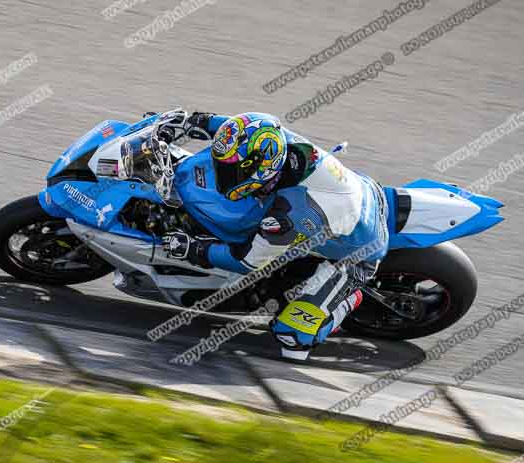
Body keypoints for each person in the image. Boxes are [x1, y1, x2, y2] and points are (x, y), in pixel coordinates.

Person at [162, 112, 389, 361]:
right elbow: (240, 131)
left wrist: (195, 250)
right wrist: (195, 120)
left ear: (259, 170)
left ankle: (351, 299)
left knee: (291, 338)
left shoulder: (289, 215)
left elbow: (247, 261)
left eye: (231, 171)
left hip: (356, 257)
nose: (221, 175)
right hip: (358, 195)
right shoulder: (274, 140)